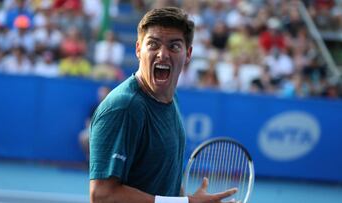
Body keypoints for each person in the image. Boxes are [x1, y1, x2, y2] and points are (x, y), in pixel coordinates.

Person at [89, 7, 238, 203]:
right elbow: (102, 195)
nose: (162, 54)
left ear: (188, 54)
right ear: (138, 50)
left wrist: (186, 199)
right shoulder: (124, 107)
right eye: (153, 44)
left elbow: (165, 183)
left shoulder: (171, 98)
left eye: (174, 46)